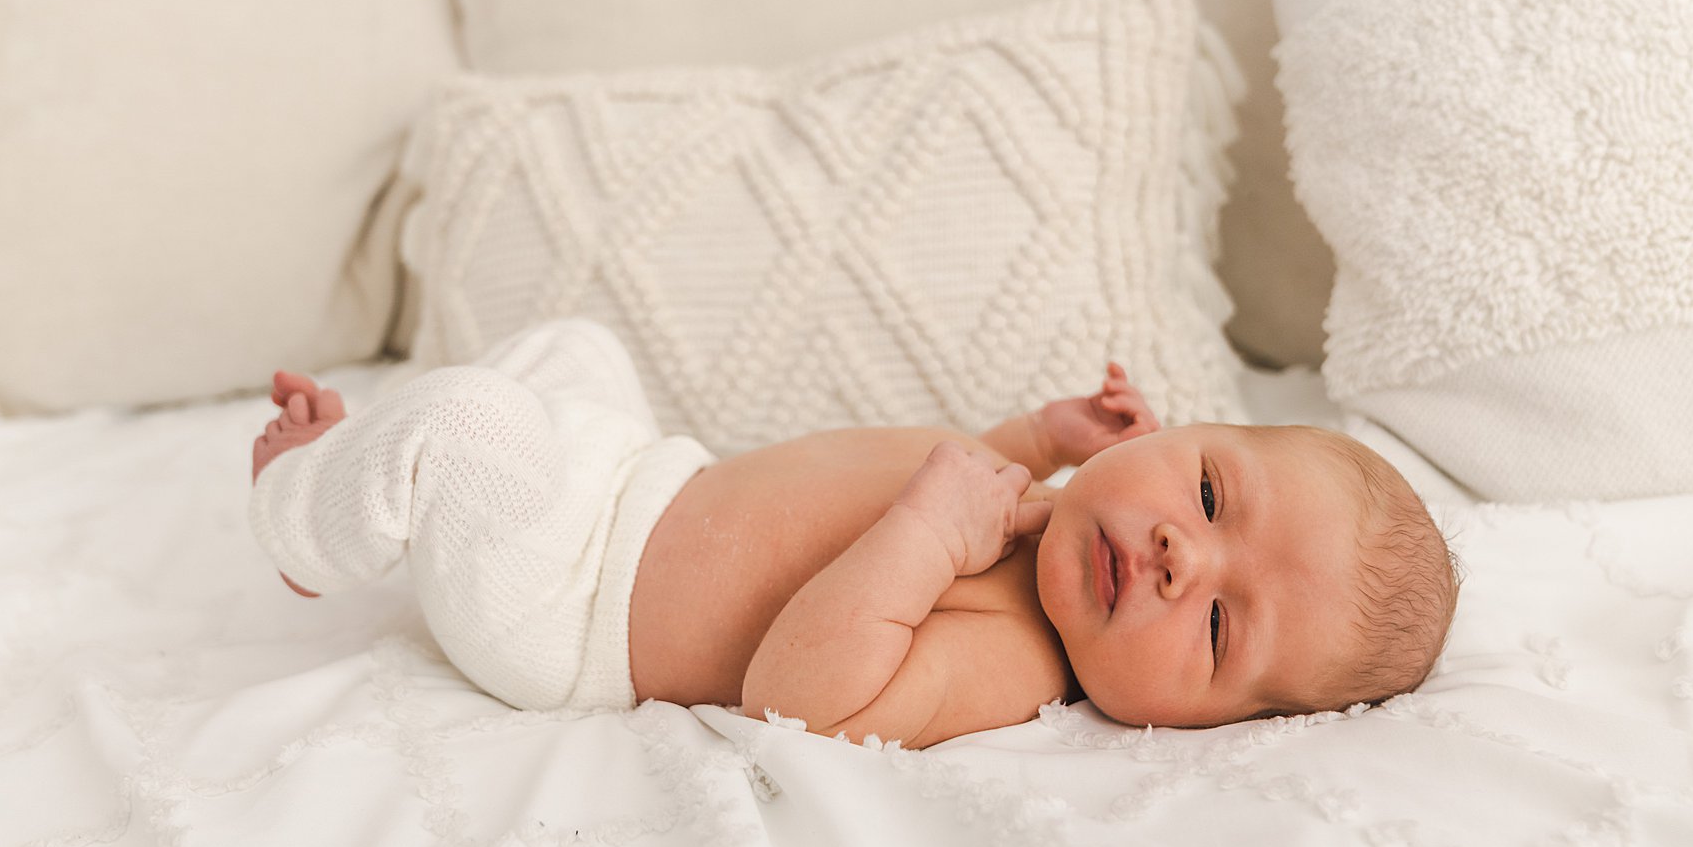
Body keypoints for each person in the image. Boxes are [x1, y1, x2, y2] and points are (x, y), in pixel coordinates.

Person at [249, 319, 1458, 747]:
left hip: (569, 614)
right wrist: (1040, 434)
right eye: (1203, 497)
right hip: (631, 481)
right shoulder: (1036, 516)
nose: (1177, 557)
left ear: (1208, 723)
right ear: (1170, 436)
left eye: (1213, 622)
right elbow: (955, 477)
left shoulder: (1015, 657)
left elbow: (803, 699)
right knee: (577, 349)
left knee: (472, 423)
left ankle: (307, 514)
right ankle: (389, 475)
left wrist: (932, 530)